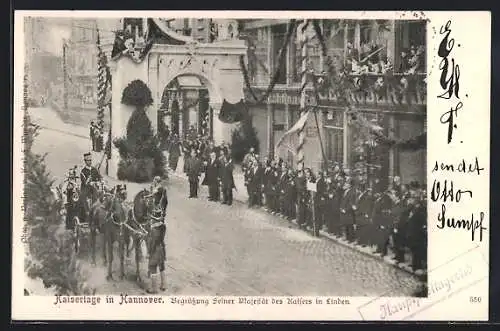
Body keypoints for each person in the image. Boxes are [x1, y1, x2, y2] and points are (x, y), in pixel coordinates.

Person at [146, 176, 168, 293]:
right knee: (162, 265)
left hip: (155, 250)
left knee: (152, 267)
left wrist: (149, 252)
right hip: (162, 249)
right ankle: (164, 284)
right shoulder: (162, 227)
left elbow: (152, 243)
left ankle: (153, 288)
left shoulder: (153, 229)